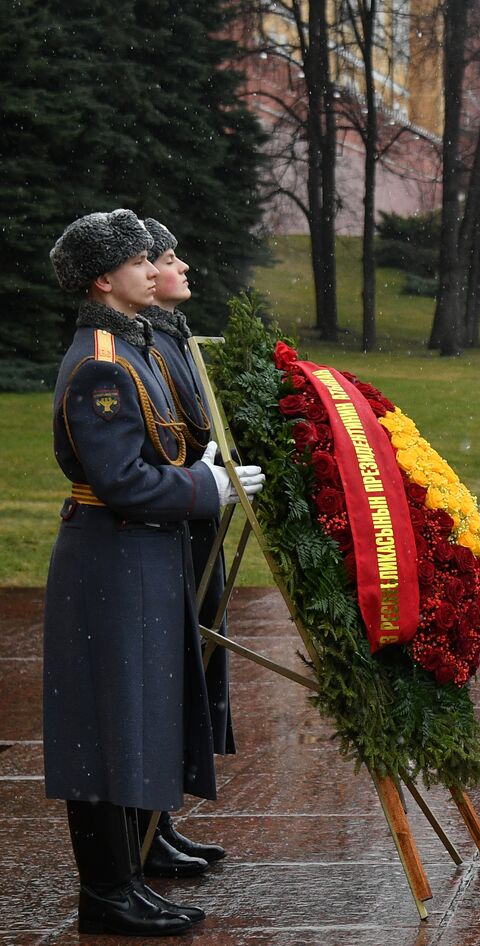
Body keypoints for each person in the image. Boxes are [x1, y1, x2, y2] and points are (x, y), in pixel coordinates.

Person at [44, 209, 264, 936]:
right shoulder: (102, 362)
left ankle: (132, 870)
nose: (156, 267)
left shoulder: (131, 346)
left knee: (136, 711)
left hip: (141, 549)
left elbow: (157, 450)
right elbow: (122, 483)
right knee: (107, 722)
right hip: (114, 550)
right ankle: (107, 892)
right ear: (104, 279)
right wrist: (210, 489)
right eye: (139, 261)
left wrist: (197, 470)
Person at [137, 218, 234, 876]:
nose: (178, 266)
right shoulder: (142, 346)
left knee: (186, 674)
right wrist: (205, 476)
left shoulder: (171, 336)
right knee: (165, 677)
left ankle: (158, 823)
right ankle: (145, 829)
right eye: (166, 258)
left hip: (196, 519)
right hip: (176, 519)